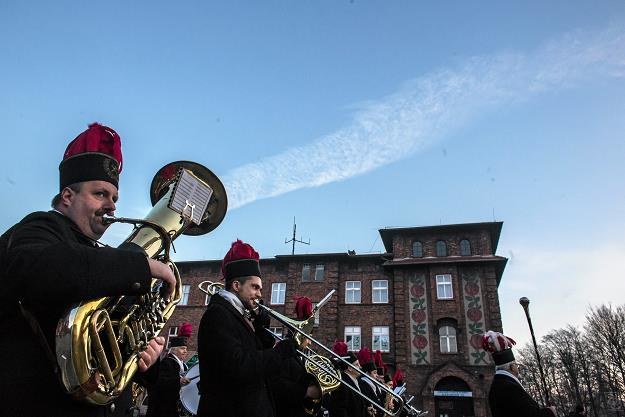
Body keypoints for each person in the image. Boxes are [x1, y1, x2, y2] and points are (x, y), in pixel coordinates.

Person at [0, 123, 176, 417]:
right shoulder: (39, 228)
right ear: (67, 197)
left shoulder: (100, 259)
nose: (112, 207)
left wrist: (147, 358)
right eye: (100, 194)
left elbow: (115, 344)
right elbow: (42, 269)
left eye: (115, 199)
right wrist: (141, 265)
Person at [196, 239, 296, 417]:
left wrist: (261, 331)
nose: (259, 294)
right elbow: (240, 367)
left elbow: (258, 364)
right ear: (236, 285)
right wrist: (280, 352)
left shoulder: (238, 314)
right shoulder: (218, 314)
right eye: (255, 287)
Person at [482, 330, 557, 417]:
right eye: (516, 366)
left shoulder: (499, 384)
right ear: (512, 367)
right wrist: (550, 412)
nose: (517, 369)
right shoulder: (509, 387)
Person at [270, 296, 323, 417]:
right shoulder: (285, 354)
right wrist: (307, 391)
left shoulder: (296, 355)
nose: (309, 342)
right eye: (308, 338)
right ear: (300, 335)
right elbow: (279, 386)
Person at [145, 324, 193, 417]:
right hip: (163, 409)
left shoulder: (184, 365)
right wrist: (178, 381)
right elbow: (161, 382)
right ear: (174, 350)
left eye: (186, 349)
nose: (185, 351)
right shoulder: (167, 362)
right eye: (182, 348)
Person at [329, 341, 368, 417]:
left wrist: (366, 410)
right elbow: (340, 410)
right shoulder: (343, 383)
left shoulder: (355, 381)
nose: (360, 367)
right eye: (357, 364)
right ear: (349, 368)